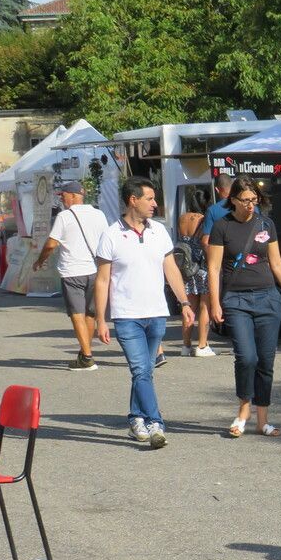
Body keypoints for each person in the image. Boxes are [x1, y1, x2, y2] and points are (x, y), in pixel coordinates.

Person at [94, 177, 195, 449]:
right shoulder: (111, 234)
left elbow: (170, 268)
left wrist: (184, 303)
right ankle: (155, 423)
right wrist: (101, 319)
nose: (155, 204)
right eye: (149, 199)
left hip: (157, 313)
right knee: (140, 369)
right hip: (126, 316)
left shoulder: (159, 232)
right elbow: (102, 280)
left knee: (145, 371)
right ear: (132, 200)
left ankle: (136, 417)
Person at [207, 175, 281, 437]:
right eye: (245, 200)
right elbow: (213, 269)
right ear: (233, 200)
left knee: (266, 361)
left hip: (268, 298)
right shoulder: (221, 226)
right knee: (246, 357)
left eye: (254, 200)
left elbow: (277, 263)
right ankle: (243, 411)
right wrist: (215, 303)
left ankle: (263, 421)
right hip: (236, 300)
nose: (251, 205)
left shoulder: (265, 223)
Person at [34, 179, 111, 371]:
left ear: (75, 195)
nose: (62, 199)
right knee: (90, 314)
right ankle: (86, 352)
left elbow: (51, 244)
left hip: (72, 271)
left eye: (64, 196)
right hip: (94, 270)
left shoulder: (64, 216)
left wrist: (40, 260)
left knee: (77, 314)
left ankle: (87, 357)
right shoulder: (99, 214)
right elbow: (107, 241)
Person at [176, 201, 215, 357]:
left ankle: (185, 346)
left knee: (189, 308)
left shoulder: (182, 218)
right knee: (205, 307)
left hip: (186, 267)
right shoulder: (203, 218)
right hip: (201, 266)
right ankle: (202, 345)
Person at [200, 173, 236, 248]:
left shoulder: (212, 211)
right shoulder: (251, 208)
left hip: (223, 257)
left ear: (217, 190)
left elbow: (206, 241)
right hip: (250, 257)